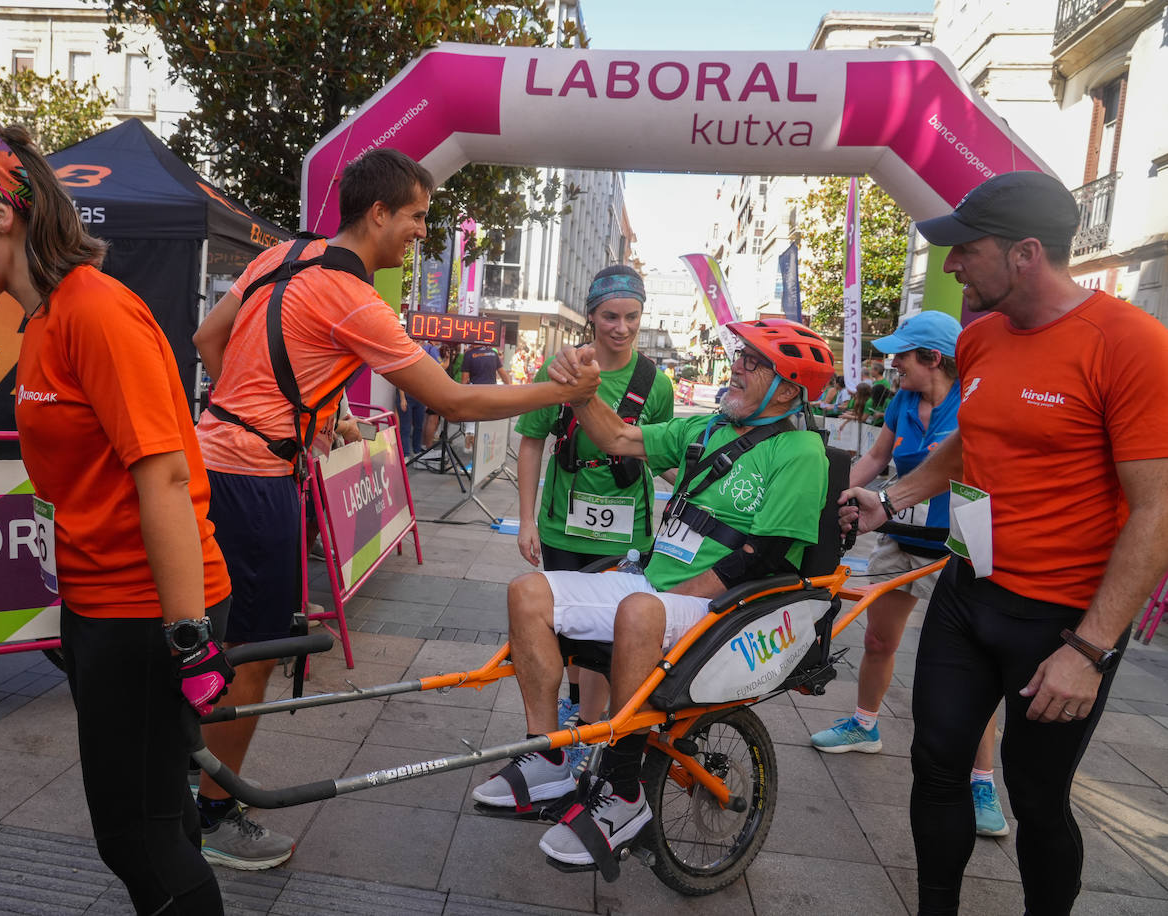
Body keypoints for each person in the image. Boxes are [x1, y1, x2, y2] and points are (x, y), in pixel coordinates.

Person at [190, 147, 601, 871]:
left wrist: (270, 416)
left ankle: (183, 778)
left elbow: (206, 340)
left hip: (206, 461)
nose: (421, 232)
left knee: (205, 638)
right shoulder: (356, 299)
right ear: (377, 213)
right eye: (415, 217)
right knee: (253, 652)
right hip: (255, 483)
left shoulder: (281, 256)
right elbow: (453, 400)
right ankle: (213, 816)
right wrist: (560, 393)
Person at [0, 122, 233, 915]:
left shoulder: (95, 310)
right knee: (162, 821)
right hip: (99, 607)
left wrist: (188, 639)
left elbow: (164, 479)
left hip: (147, 613)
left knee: (137, 841)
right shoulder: (43, 316)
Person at [841, 171, 1168, 916]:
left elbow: (1157, 511)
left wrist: (1089, 650)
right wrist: (891, 499)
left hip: (1061, 620)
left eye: (967, 249)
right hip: (968, 589)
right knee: (935, 765)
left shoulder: (1132, 343)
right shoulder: (980, 337)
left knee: (1037, 795)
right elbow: (973, 441)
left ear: (1025, 254)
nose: (953, 265)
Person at [474, 318, 835, 868]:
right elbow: (618, 438)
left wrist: (666, 600)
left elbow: (760, 556)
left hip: (722, 604)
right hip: (655, 589)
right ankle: (548, 758)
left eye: (754, 362)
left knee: (640, 610)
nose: (736, 366)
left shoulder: (802, 452)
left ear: (788, 390)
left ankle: (624, 793)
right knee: (528, 592)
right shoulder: (708, 429)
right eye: (739, 355)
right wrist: (582, 393)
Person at [810, 310, 1008, 837]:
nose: (893, 364)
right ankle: (865, 725)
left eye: (902, 356)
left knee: (973, 669)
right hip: (900, 537)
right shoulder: (902, 401)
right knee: (878, 639)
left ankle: (981, 782)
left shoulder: (971, 402)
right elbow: (876, 458)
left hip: (955, 549)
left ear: (933, 358)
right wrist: (827, 498)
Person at [514, 265, 674, 763]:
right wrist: (526, 520)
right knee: (562, 629)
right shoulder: (561, 369)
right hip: (563, 527)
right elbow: (531, 442)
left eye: (631, 316)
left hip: (628, 532)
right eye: (610, 316)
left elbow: (662, 454)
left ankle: (589, 728)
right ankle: (572, 709)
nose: (621, 328)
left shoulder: (655, 383)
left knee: (612, 633)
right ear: (591, 316)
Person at [462, 340, 512, 449]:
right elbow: (503, 374)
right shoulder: (493, 353)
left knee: (471, 425)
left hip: (475, 393)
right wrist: (510, 388)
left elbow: (464, 380)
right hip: (491, 393)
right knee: (487, 422)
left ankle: (471, 449)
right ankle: (485, 450)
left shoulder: (469, 355)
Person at [396, 339, 437, 455]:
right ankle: (405, 454)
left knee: (419, 426)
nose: (420, 344)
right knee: (406, 427)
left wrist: (425, 399)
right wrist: (402, 399)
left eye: (420, 342)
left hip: (419, 397)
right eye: (417, 341)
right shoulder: (404, 357)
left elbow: (426, 381)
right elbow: (400, 380)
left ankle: (417, 451)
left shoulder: (423, 359)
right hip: (407, 398)